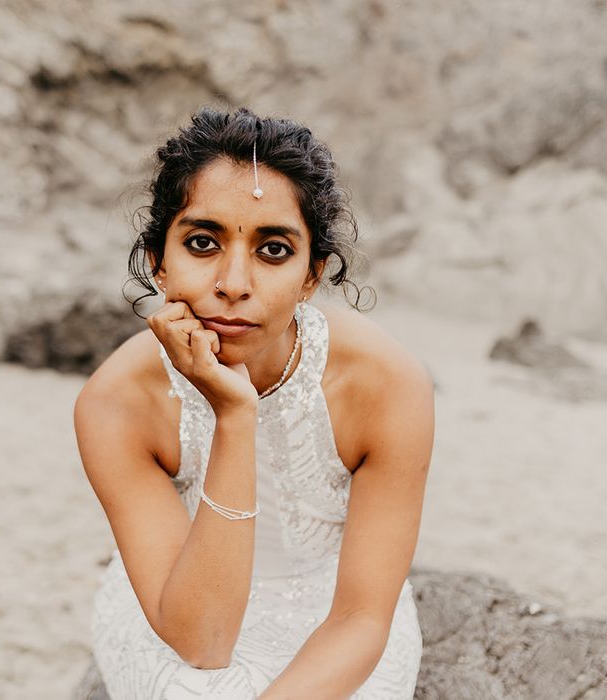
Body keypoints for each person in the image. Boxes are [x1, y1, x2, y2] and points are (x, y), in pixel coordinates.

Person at [74, 106, 434, 699]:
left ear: (312, 275)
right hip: (175, 605)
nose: (234, 282)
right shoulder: (115, 402)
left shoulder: (385, 383)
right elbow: (201, 640)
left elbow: (363, 617)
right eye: (202, 242)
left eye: (272, 250)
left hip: (337, 619)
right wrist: (235, 417)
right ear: (160, 263)